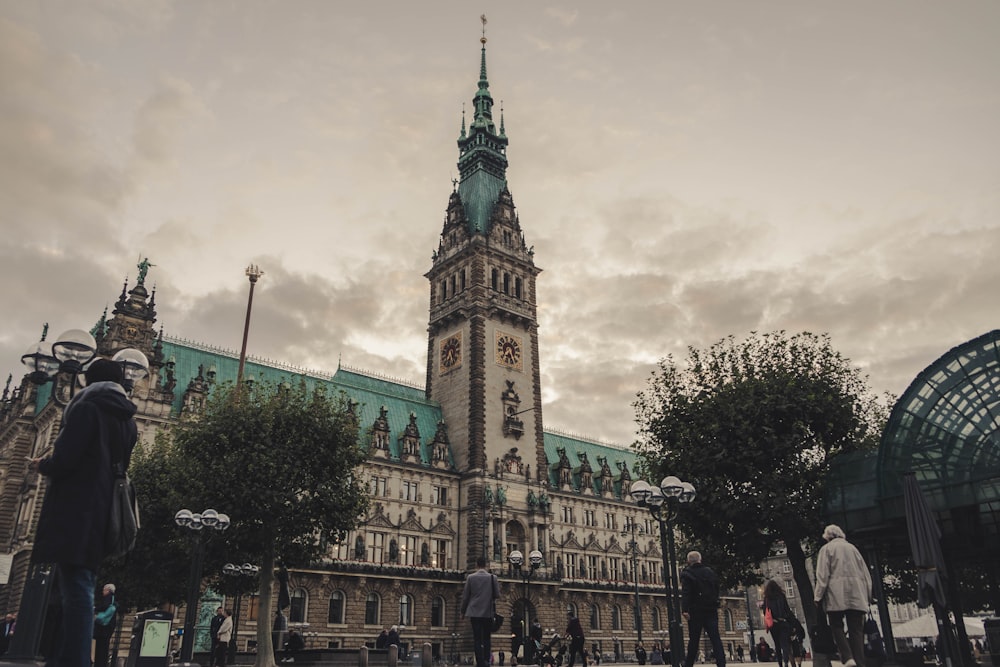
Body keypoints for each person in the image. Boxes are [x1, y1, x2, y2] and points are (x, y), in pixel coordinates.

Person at [28, 358, 138, 667]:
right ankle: (65, 656)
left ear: (88, 381)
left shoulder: (86, 408)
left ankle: (74, 660)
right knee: (77, 584)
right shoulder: (128, 421)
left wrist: (41, 465)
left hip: (76, 508)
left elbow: (65, 460)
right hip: (106, 513)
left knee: (76, 587)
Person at [814, 524, 873, 667]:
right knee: (856, 630)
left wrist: (818, 596)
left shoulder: (826, 549)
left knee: (836, 625)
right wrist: (868, 596)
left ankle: (847, 657)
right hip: (857, 593)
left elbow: (822, 575)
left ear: (827, 537)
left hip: (836, 593)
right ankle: (859, 662)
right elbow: (866, 575)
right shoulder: (853, 549)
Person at [680, 551, 726, 667]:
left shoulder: (687, 574)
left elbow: (686, 593)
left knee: (694, 640)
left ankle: (688, 664)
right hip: (710, 609)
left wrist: (685, 609)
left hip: (695, 610)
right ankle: (721, 663)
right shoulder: (710, 572)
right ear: (700, 560)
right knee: (715, 638)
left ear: (688, 561)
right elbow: (716, 588)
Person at [461, 556, 501, 667]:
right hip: (487, 612)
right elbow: (497, 595)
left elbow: (465, 597)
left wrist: (462, 612)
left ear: (477, 565)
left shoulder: (470, 577)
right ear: (486, 565)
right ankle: (487, 660)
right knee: (487, 638)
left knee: (477, 638)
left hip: (474, 612)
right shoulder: (493, 578)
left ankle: (479, 662)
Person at [762, 580, 794, 667]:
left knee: (777, 645)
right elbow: (787, 610)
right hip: (783, 622)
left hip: (774, 624)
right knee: (784, 644)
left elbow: (765, 612)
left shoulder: (767, 598)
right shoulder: (782, 596)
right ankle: (786, 662)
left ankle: (780, 663)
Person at [93, 583, 118, 667]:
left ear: (108, 590)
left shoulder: (109, 598)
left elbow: (104, 606)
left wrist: (95, 609)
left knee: (101, 648)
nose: (103, 592)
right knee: (104, 647)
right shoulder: (113, 599)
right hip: (108, 628)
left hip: (104, 628)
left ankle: (99, 664)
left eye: (104, 590)